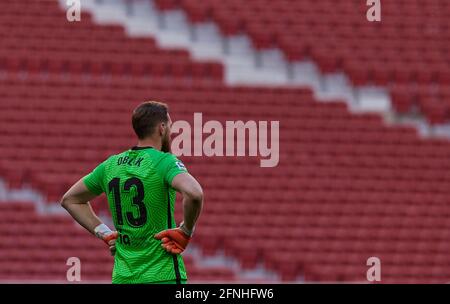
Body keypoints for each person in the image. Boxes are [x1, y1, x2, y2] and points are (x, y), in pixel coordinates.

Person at [61, 101, 203, 284]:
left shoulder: (111, 165)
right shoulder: (163, 162)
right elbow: (194, 193)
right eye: (170, 126)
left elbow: (70, 199)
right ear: (161, 128)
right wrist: (186, 231)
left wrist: (103, 232)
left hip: (123, 277)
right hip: (162, 275)